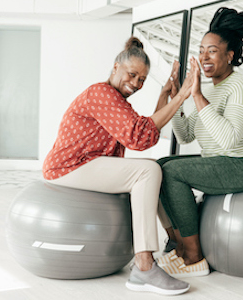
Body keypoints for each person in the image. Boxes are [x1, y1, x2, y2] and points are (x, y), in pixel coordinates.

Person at [42, 37, 193, 295]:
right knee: (147, 171)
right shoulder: (100, 94)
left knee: (152, 166)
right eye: (132, 75)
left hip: (86, 165)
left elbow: (145, 136)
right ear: (115, 67)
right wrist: (181, 96)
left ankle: (175, 243)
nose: (136, 83)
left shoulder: (117, 100)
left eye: (142, 80)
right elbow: (138, 135)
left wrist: (164, 95)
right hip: (67, 167)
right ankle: (144, 267)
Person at [155, 7, 243, 277]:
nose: (204, 56)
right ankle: (178, 245)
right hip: (224, 162)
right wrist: (178, 99)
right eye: (201, 50)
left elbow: (229, 139)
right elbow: (185, 135)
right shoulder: (211, 89)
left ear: (229, 55)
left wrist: (197, 96)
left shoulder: (241, 86)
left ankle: (193, 255)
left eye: (212, 50)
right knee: (159, 166)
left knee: (173, 171)